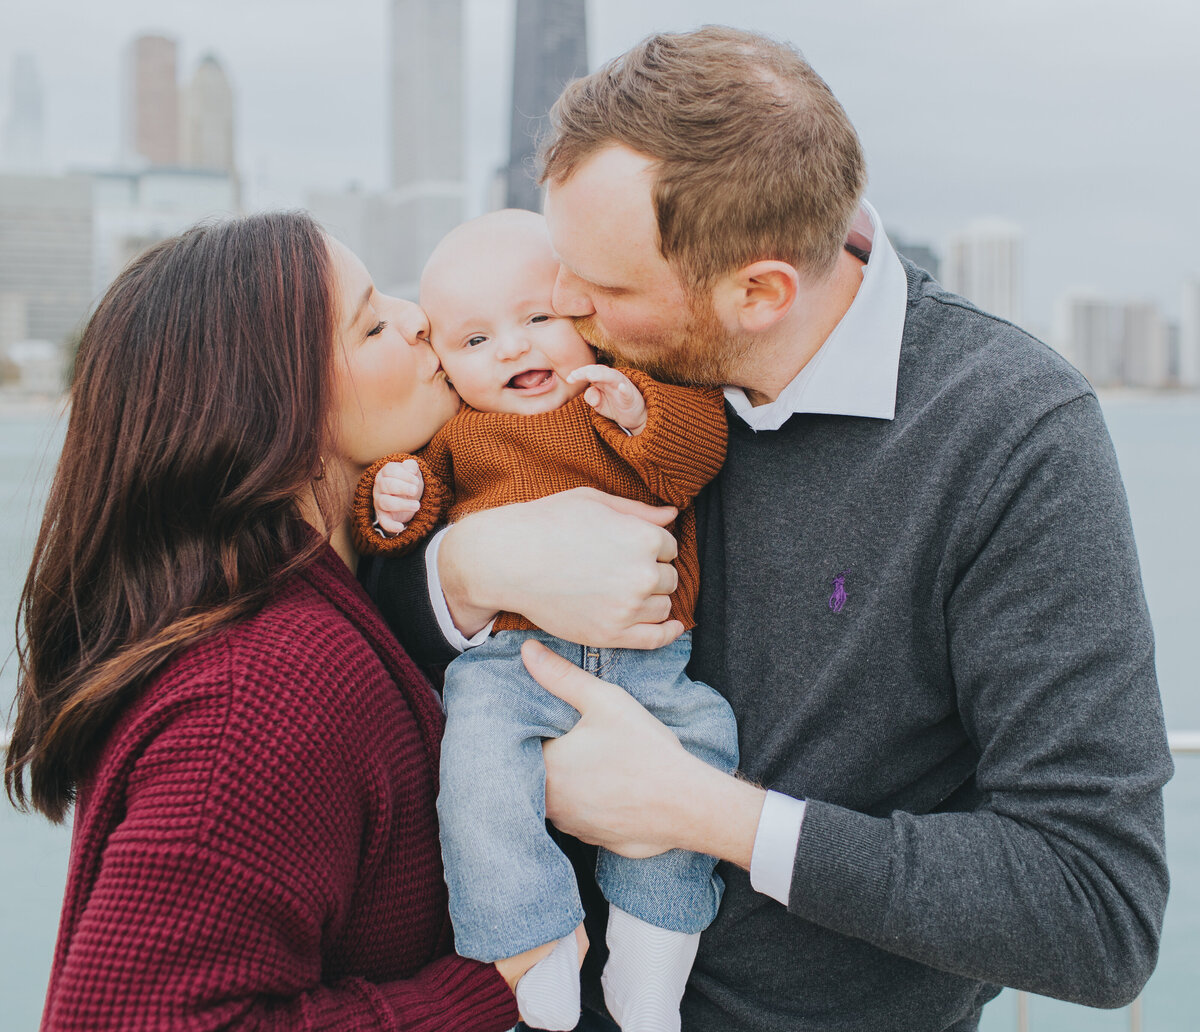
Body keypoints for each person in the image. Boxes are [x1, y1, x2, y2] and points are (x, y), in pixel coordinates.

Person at [361, 26, 1174, 1032]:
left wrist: (707, 814)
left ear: (758, 293)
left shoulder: (1008, 434)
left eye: (604, 286)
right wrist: (471, 568)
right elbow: (376, 595)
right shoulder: (570, 366)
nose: (561, 306)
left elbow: (1094, 909)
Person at [1, 211, 562, 1030]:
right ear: (279, 420)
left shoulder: (311, 598)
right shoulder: (266, 687)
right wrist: (484, 991)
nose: (419, 321)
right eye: (373, 324)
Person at [354, 209, 738, 1032]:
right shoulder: (457, 435)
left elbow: (694, 455)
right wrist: (393, 501)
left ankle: (652, 952)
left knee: (702, 749)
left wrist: (640, 415)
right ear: (449, 367)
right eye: (476, 341)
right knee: (478, 775)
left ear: (585, 317)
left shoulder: (619, 392)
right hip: (510, 661)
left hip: (651, 659)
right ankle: (530, 941)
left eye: (538, 320)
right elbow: (399, 529)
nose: (516, 349)